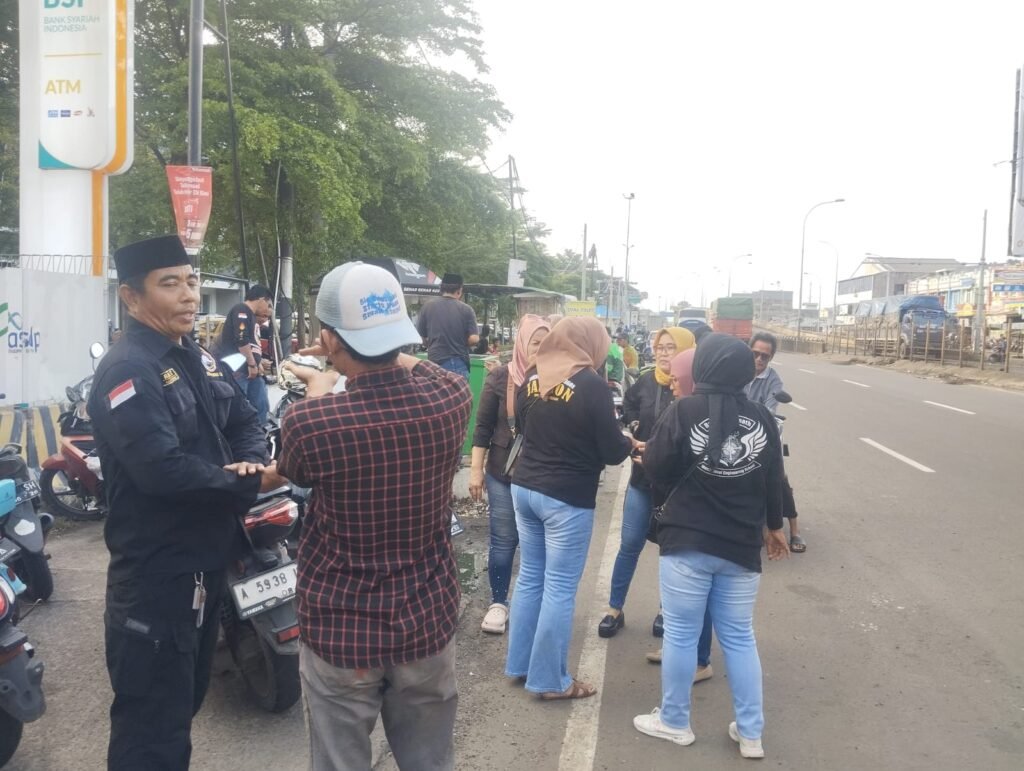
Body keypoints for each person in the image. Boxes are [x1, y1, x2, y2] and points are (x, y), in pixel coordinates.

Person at [88, 235, 282, 770]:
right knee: (151, 732)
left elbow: (244, 418)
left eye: (192, 281)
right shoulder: (127, 369)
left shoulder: (192, 353)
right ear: (130, 297)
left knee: (183, 707)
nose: (189, 295)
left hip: (205, 565)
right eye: (170, 283)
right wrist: (252, 482)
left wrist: (247, 460)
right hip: (158, 578)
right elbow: (161, 470)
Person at [277, 261, 472, 771]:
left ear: (329, 339)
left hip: (342, 632)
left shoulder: (309, 421)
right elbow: (420, 368)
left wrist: (323, 379)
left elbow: (293, 470)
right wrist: (359, 349)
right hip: (425, 620)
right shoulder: (452, 398)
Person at [634, 333, 789, 759]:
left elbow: (657, 467)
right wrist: (775, 527)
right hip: (741, 545)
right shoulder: (761, 417)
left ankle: (674, 720)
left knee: (681, 635)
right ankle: (752, 734)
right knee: (739, 637)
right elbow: (773, 477)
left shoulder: (684, 409)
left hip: (687, 541)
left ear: (702, 367)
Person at [505, 317, 635, 700]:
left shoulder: (532, 375)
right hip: (565, 497)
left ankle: (521, 664)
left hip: (524, 488)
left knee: (530, 577)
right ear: (589, 344)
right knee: (559, 587)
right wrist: (630, 444)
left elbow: (525, 429)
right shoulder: (591, 385)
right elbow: (612, 451)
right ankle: (550, 681)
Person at [599, 327, 695, 641]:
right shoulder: (645, 381)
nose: (664, 353)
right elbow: (627, 408)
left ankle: (667, 611)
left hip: (677, 487)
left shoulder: (690, 386)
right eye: (660, 347)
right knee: (629, 544)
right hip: (642, 480)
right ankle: (615, 609)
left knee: (671, 551)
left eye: (671, 347)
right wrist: (634, 426)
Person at [469, 315, 551, 634]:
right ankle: (499, 603)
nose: (541, 349)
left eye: (547, 342)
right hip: (503, 473)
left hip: (543, 477)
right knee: (504, 539)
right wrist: (476, 471)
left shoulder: (560, 378)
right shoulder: (501, 378)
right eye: (535, 342)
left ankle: (531, 604)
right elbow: (482, 427)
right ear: (522, 344)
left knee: (538, 545)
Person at [644, 346, 714, 679]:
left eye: (676, 378)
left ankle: (698, 661)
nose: (671, 385)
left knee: (693, 600)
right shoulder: (698, 407)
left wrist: (651, 459)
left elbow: (670, 465)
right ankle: (684, 652)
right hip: (694, 522)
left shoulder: (689, 411)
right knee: (688, 600)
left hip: (692, 524)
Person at [745, 332, 805, 552]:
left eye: (765, 356)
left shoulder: (773, 379)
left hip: (763, 432)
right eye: (755, 354)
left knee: (777, 478)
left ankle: (795, 530)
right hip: (734, 431)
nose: (759, 360)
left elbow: (770, 408)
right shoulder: (737, 371)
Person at [213, 284, 274, 423]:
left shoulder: (250, 316)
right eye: (268, 305)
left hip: (250, 371)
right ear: (261, 299)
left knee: (260, 404)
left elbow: (251, 344)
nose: (268, 310)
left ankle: (260, 433)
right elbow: (242, 340)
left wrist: (257, 363)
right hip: (238, 370)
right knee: (239, 408)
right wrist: (252, 364)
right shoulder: (242, 310)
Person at [416, 272, 479, 377]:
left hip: (433, 362)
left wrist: (432, 344)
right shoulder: (466, 309)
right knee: (457, 393)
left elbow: (420, 338)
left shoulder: (427, 307)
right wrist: (460, 343)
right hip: (457, 363)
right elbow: (474, 339)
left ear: (441, 288)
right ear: (459, 290)